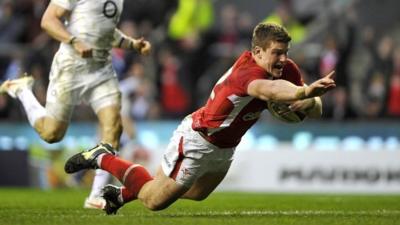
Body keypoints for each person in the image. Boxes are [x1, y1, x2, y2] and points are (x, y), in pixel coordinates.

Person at [64, 22, 336, 214]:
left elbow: (314, 107)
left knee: (196, 193)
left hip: (226, 146)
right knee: (154, 201)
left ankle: (120, 195)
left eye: (285, 52)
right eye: (277, 53)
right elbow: (267, 90)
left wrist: (309, 100)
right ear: (257, 52)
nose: (282, 59)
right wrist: (303, 91)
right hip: (199, 139)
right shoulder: (248, 74)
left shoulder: (286, 69)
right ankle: (103, 156)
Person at [0, 0, 151, 208]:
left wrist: (132, 44)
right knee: (52, 133)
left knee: (114, 127)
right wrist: (73, 41)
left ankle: (96, 195)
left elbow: (105, 32)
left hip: (101, 71)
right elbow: (48, 20)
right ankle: (22, 90)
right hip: (71, 68)